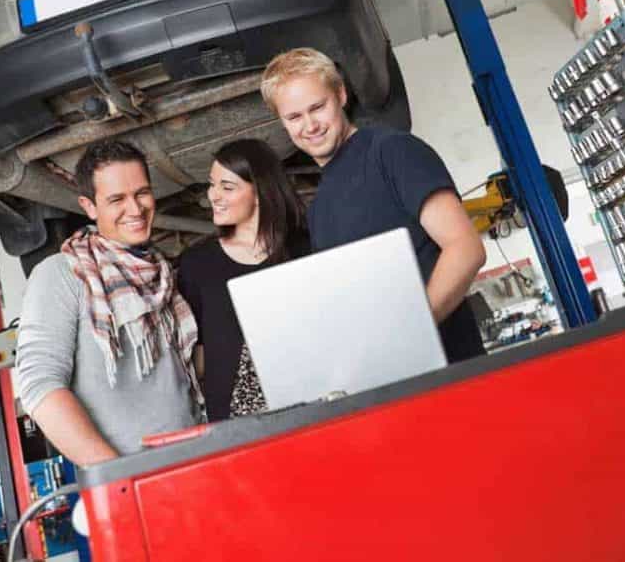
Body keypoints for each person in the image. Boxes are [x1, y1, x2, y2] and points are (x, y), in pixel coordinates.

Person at [261, 48, 487, 363]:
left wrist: (413, 332)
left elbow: (465, 248)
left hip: (450, 370)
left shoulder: (392, 152)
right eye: (294, 117)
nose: (310, 125)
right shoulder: (319, 207)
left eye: (317, 107)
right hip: (386, 378)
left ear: (340, 94)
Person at [15, 141, 200, 464]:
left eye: (141, 193)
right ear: (89, 206)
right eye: (117, 199)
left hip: (193, 468)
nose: (135, 209)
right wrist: (118, 477)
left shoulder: (162, 271)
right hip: (131, 488)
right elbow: (39, 387)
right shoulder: (63, 274)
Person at [178, 139, 310, 422]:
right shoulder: (196, 263)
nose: (213, 195)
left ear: (260, 192)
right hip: (236, 425)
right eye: (212, 184)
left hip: (308, 407)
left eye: (227, 187)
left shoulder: (306, 248)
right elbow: (197, 359)